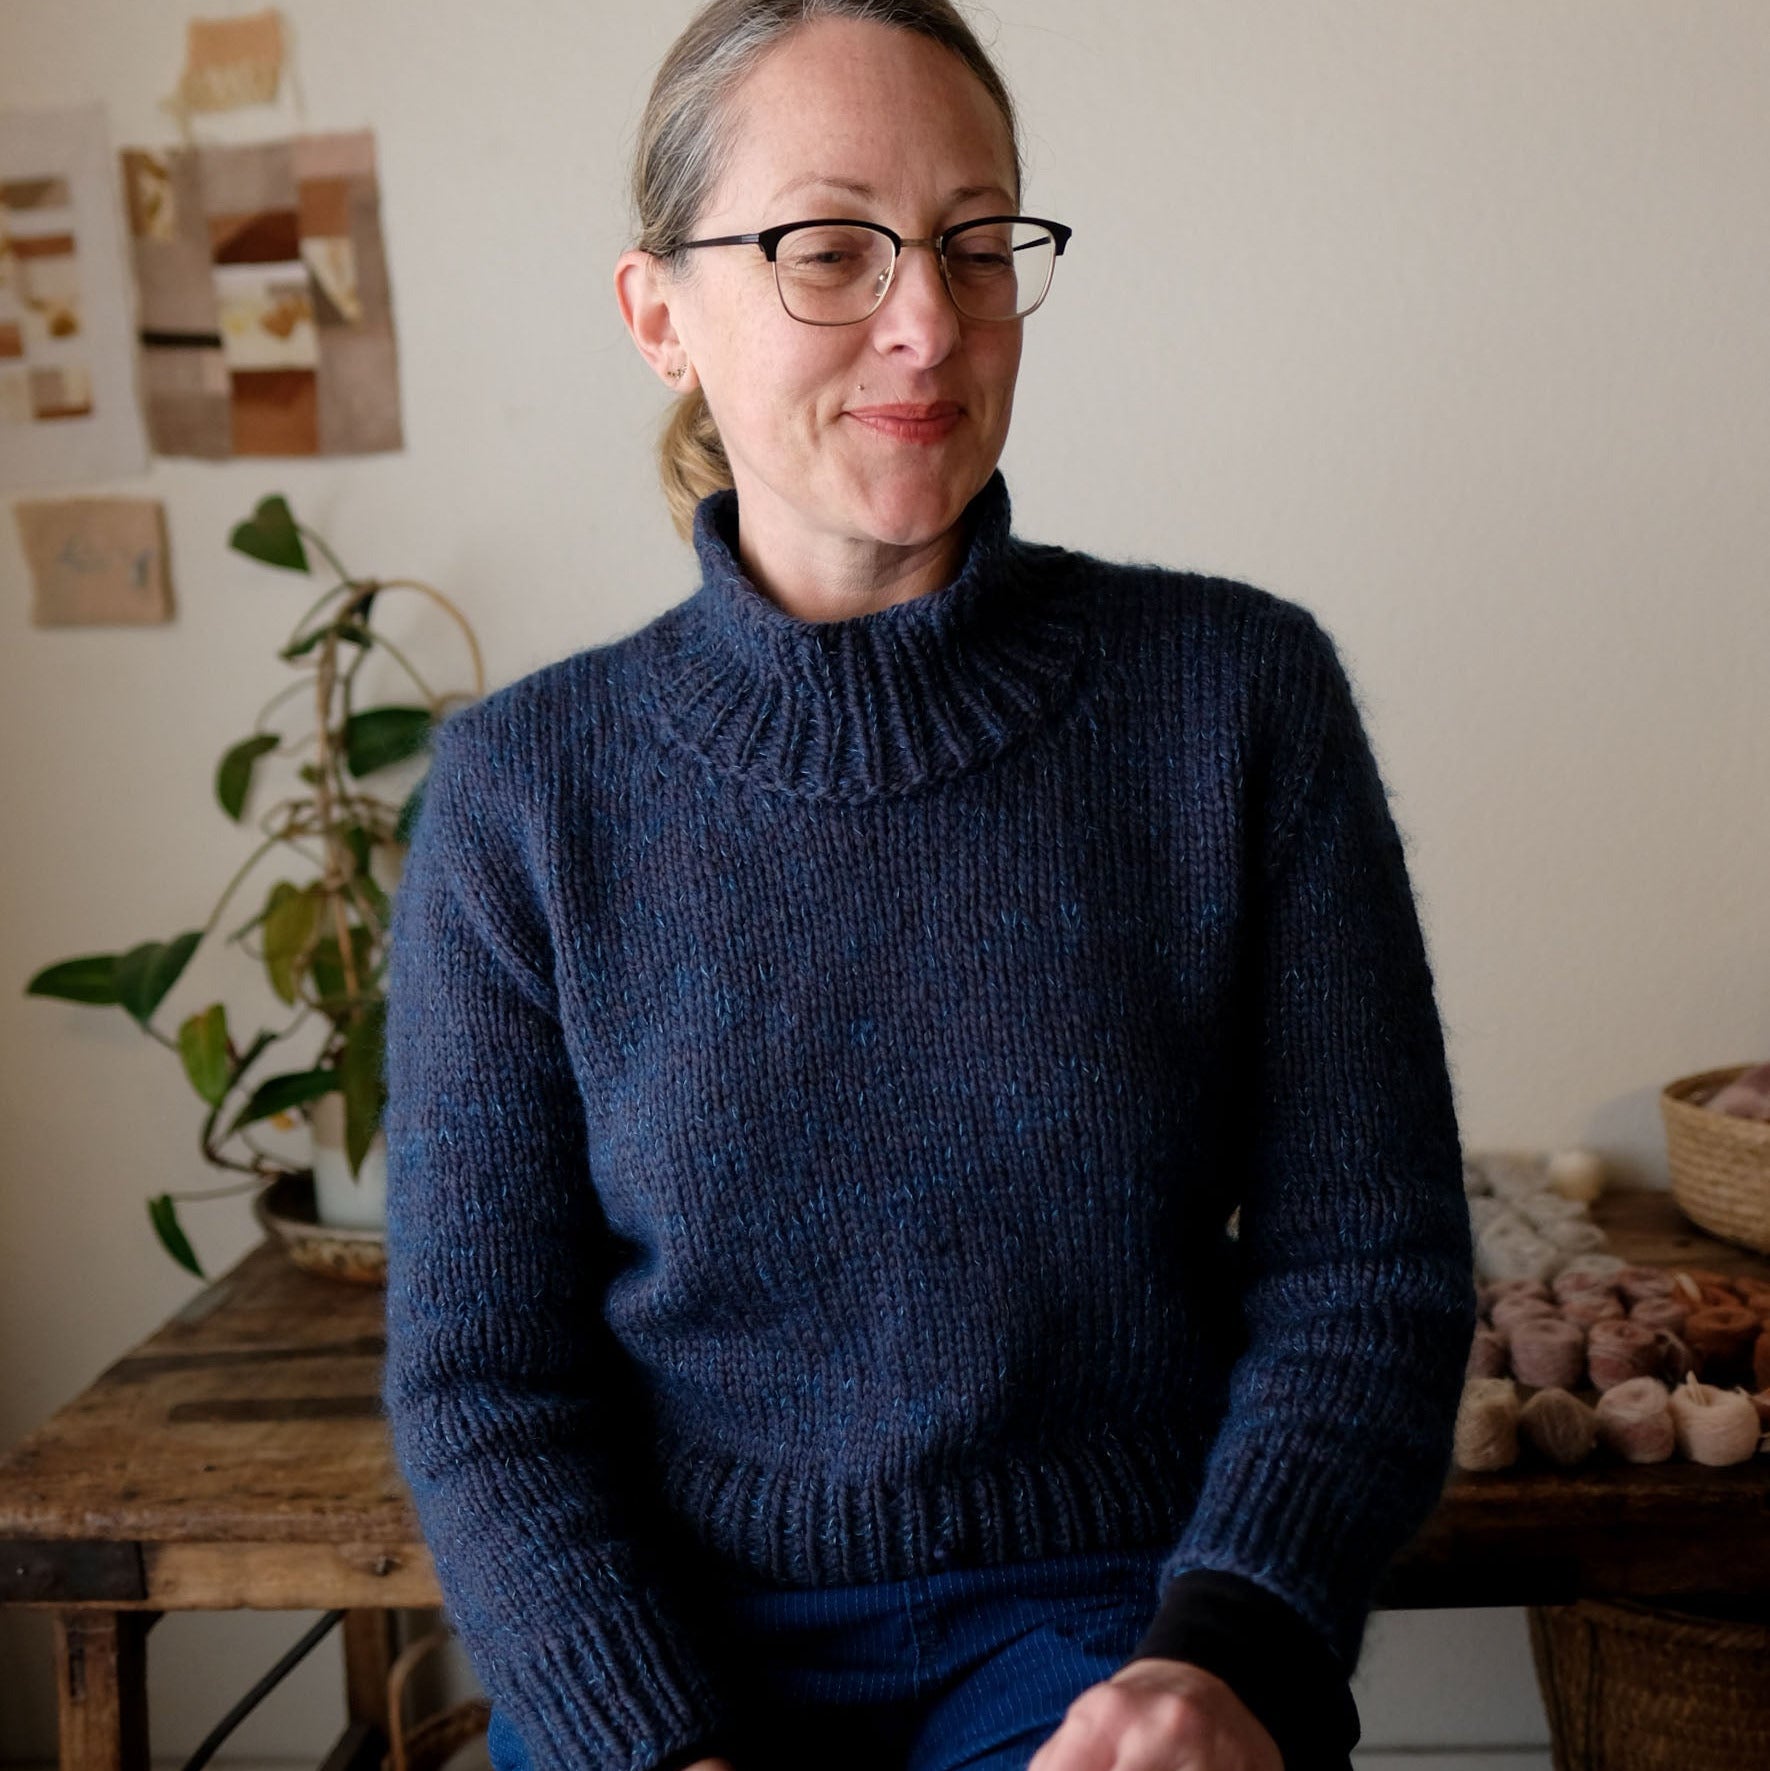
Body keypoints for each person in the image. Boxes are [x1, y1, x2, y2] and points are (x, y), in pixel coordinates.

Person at [379, 3, 1478, 1770]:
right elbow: (486, 1387)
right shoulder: (525, 796)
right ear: (659, 314)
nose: (925, 319)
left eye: (976, 245)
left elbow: (1369, 1272)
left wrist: (1229, 1655)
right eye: (830, 249)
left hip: (1113, 1626)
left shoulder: (1234, 700)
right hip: (674, 1654)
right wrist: (647, 1742)